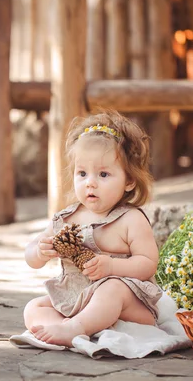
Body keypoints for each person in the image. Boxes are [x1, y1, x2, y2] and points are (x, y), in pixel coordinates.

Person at [23, 110, 163, 347]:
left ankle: (76, 328)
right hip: (76, 300)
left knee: (112, 288)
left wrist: (112, 266)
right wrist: (39, 251)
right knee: (33, 308)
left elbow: (148, 262)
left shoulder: (130, 219)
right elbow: (31, 257)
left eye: (104, 174)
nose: (90, 182)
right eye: (82, 173)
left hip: (128, 306)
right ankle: (70, 328)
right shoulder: (66, 219)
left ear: (129, 181)